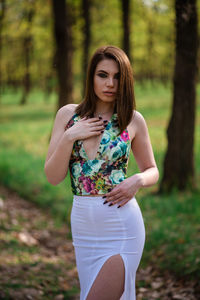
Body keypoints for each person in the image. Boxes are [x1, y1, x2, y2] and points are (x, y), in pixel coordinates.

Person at [44, 45, 159, 300]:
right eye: (103, 75)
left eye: (117, 77)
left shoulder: (132, 119)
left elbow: (152, 169)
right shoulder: (67, 115)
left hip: (122, 226)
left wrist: (137, 181)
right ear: (91, 77)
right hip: (84, 227)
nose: (110, 83)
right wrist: (69, 137)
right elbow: (53, 177)